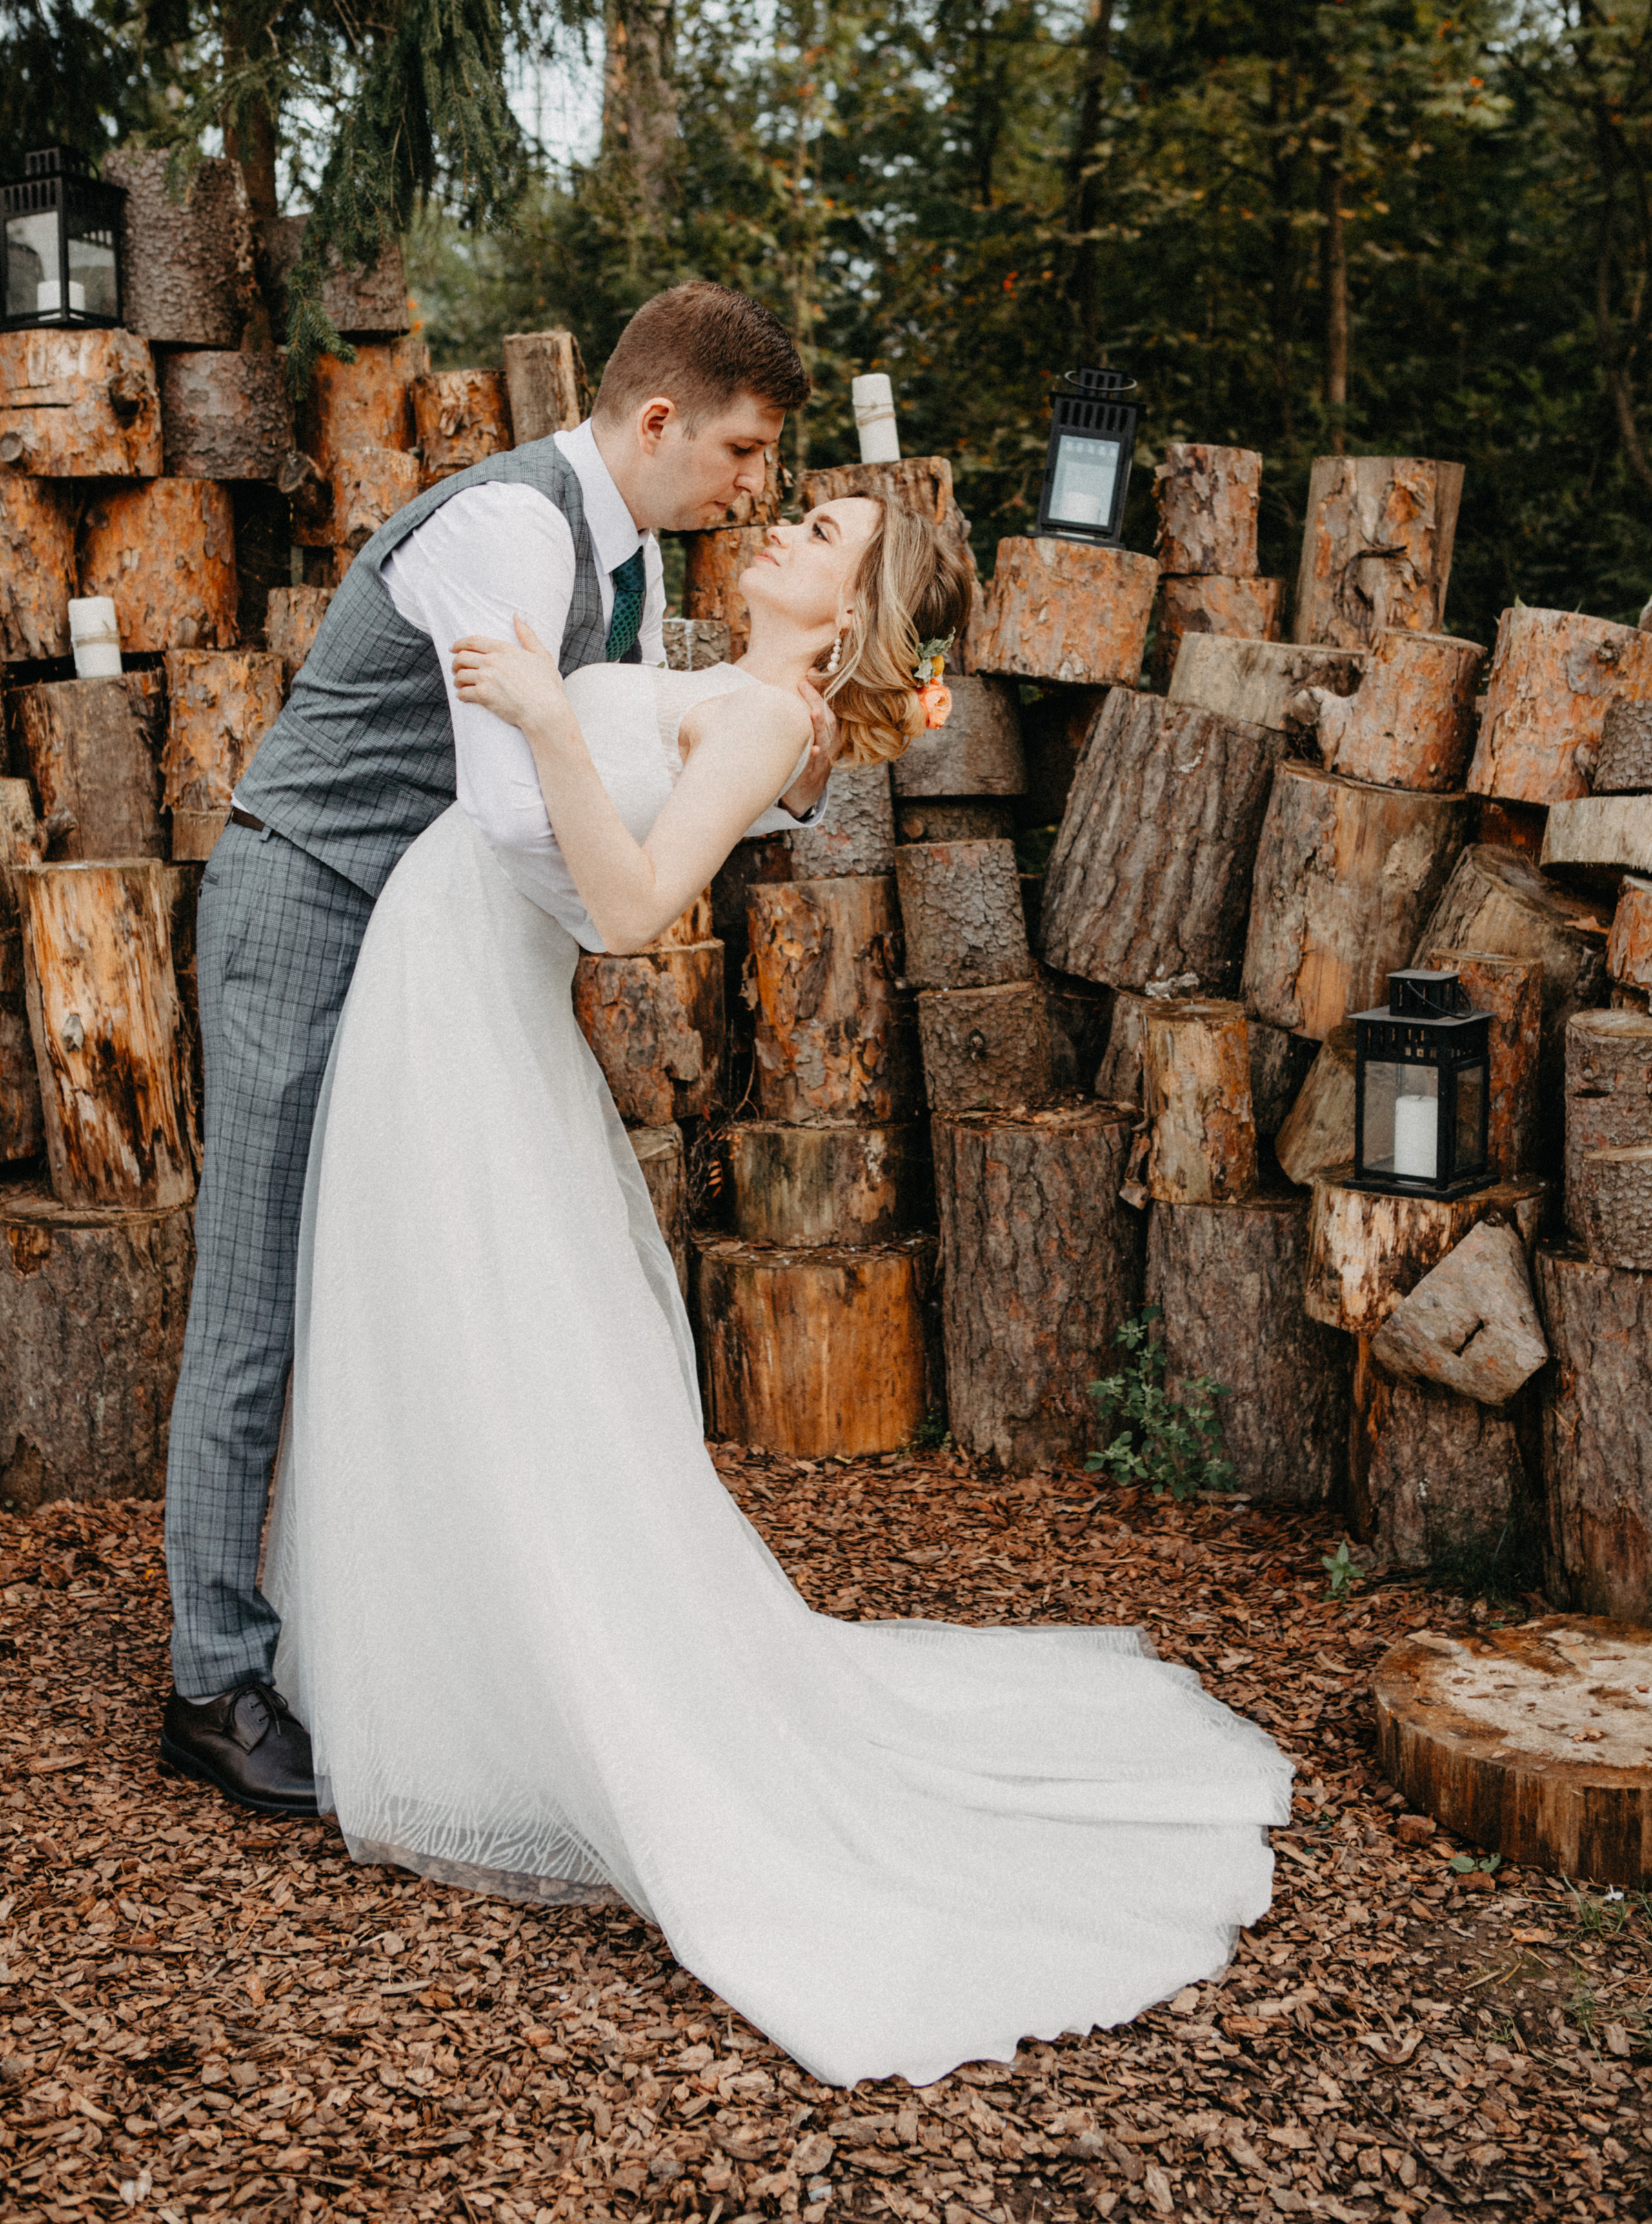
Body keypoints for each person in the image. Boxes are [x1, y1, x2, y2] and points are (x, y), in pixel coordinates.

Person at [262, 479, 1293, 2088]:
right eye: (800, 508)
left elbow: (623, 914)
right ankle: (465, 1684)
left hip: (475, 1005)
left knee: (485, 1350)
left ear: (851, 614)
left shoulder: (764, 715)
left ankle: (540, 1707)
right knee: (454, 1349)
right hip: (442, 984)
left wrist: (541, 709)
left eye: (824, 535)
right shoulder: (729, 682)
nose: (789, 528)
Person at [161, 282, 840, 1816]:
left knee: (414, 1285)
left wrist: (780, 761)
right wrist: (614, 915)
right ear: (656, 421)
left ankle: (409, 1632)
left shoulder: (633, 554)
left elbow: (624, 741)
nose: (752, 486)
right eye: (738, 450)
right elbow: (523, 811)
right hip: (310, 902)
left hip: (433, 949)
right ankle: (211, 1678)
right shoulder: (507, 532)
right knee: (259, 1283)